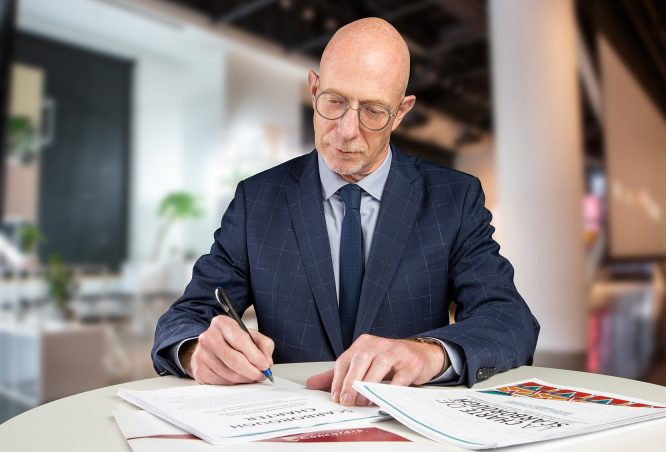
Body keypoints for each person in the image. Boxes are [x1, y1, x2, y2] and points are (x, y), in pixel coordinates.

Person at [152, 17, 539, 407]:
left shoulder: (453, 199)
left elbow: (510, 320)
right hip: (288, 423)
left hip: (409, 428)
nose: (347, 131)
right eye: (334, 102)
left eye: (372, 111)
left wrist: (428, 353)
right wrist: (196, 350)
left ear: (402, 112)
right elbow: (187, 315)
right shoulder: (258, 200)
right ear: (314, 88)